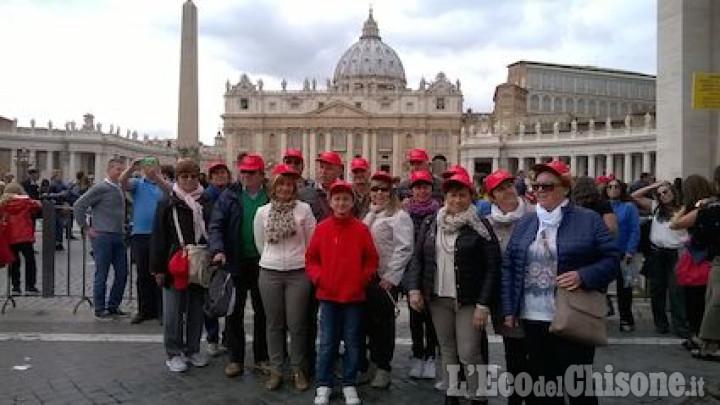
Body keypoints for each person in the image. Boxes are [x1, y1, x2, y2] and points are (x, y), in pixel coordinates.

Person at [502, 160, 619, 405]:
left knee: (578, 386)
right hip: (533, 317)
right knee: (543, 388)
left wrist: (583, 276)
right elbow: (510, 266)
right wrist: (510, 308)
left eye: (547, 186)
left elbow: (611, 260)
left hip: (572, 314)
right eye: (536, 186)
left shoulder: (588, 220)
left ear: (565, 188)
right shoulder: (526, 222)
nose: (540, 191)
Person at [406, 170, 501, 405]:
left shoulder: (480, 226)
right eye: (452, 196)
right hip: (439, 298)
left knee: (469, 352)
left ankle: (478, 396)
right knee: (447, 349)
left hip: (468, 300)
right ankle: (452, 394)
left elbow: (492, 267)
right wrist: (414, 288)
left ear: (471, 196)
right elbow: (418, 258)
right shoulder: (432, 222)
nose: (456, 201)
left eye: (462, 195)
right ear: (445, 197)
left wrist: (483, 304)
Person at [306, 180, 379, 405]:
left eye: (345, 199)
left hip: (354, 295)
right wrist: (319, 278)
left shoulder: (360, 229)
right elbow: (311, 258)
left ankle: (349, 382)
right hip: (328, 295)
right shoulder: (322, 228)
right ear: (330, 202)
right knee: (327, 342)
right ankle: (324, 383)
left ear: (351, 202)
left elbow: (371, 259)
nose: (341, 203)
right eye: (337, 199)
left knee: (353, 341)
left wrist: (363, 278)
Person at [253, 163, 317, 391]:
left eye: (290, 185)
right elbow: (260, 243)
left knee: (297, 324)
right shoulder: (263, 212)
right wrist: (272, 259)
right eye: (282, 184)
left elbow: (312, 243)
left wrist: (298, 260)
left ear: (295, 187)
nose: (286, 188)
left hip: (298, 273)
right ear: (274, 186)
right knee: (274, 324)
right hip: (269, 272)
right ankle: (277, 368)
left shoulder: (304, 210)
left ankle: (299, 368)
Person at [208, 153, 270, 378]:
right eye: (243, 172)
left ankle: (262, 356)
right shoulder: (229, 195)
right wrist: (218, 249)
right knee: (234, 311)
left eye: (251, 173)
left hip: (264, 262)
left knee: (263, 312)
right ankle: (236, 358)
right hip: (235, 260)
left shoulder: (272, 195)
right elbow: (216, 224)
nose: (246, 176)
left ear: (262, 175)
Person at [150, 159, 212, 372]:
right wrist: (157, 268)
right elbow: (158, 237)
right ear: (177, 178)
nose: (189, 180)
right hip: (174, 262)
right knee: (173, 311)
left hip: (199, 263)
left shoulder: (206, 201)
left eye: (193, 176)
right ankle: (173, 352)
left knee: (196, 309)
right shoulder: (166, 203)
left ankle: (192, 349)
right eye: (184, 176)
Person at [483, 169, 535, 405]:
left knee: (535, 352)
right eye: (500, 189)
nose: (507, 192)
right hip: (505, 298)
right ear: (492, 196)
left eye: (509, 186)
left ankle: (533, 395)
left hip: (534, 295)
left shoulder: (536, 215)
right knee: (513, 352)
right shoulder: (488, 224)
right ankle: (516, 395)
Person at [358, 171, 414, 389]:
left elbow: (404, 248)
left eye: (383, 189)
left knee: (383, 326)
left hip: (384, 279)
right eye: (375, 189)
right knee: (367, 325)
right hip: (367, 278)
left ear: (391, 192)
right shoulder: (370, 214)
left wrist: (391, 277)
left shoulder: (399, 216)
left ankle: (383, 367)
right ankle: (371, 364)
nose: (379, 193)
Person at [670, 173, 719, 360]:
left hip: (700, 257)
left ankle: (701, 336)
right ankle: (701, 335)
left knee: (699, 299)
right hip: (704, 256)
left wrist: (685, 206)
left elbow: (675, 224)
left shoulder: (703, 209)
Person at [632, 181, 690, 337]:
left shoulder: (684, 209)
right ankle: (661, 324)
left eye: (666, 192)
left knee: (676, 290)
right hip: (657, 252)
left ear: (673, 192)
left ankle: (680, 325)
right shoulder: (656, 207)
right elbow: (635, 196)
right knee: (657, 289)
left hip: (676, 252)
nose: (663, 195)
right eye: (660, 194)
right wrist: (655, 185)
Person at [73, 159, 129, 319]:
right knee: (102, 274)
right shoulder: (100, 188)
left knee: (122, 273)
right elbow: (78, 205)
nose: (120, 172)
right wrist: (85, 227)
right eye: (118, 169)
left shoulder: (118, 188)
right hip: (103, 236)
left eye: (122, 170)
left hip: (118, 235)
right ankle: (99, 307)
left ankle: (113, 305)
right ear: (109, 170)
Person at [402, 170, 441, 381]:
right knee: (415, 317)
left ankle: (430, 356)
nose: (422, 190)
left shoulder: (440, 213)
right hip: (412, 272)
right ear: (412, 190)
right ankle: (417, 354)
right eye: (418, 187)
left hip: (433, 272)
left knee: (432, 318)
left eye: (425, 186)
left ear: (431, 189)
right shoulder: (404, 213)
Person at [121, 157, 169, 324]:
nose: (149, 169)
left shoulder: (164, 183)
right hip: (140, 233)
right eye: (147, 166)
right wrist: (131, 168)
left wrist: (158, 177)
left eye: (153, 166)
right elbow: (122, 183)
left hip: (160, 234)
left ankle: (161, 310)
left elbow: (168, 192)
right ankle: (144, 310)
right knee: (142, 273)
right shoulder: (137, 183)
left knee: (160, 272)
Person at [203, 160, 232, 356]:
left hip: (232, 251)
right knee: (212, 297)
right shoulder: (205, 198)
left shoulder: (233, 195)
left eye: (223, 173)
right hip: (213, 252)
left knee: (231, 299)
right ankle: (212, 338)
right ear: (211, 177)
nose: (220, 176)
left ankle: (227, 337)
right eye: (216, 174)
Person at [604, 178, 641, 332]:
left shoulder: (629, 207)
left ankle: (626, 318)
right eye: (610, 186)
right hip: (605, 252)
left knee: (624, 289)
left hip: (623, 251)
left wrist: (630, 250)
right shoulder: (602, 207)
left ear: (622, 189)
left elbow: (634, 229)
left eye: (616, 186)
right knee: (600, 286)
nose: (613, 189)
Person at [1, 182, 41, 295]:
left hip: (10, 236)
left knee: (14, 263)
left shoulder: (3, 203)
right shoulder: (26, 202)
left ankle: (15, 287)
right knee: (30, 261)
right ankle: (30, 286)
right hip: (25, 235)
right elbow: (38, 207)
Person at [47, 170, 69, 251]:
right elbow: (48, 195)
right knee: (55, 225)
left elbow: (68, 191)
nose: (61, 176)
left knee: (60, 225)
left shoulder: (62, 184)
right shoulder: (52, 184)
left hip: (60, 206)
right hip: (54, 206)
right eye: (59, 175)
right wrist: (59, 194)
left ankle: (59, 242)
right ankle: (55, 242)